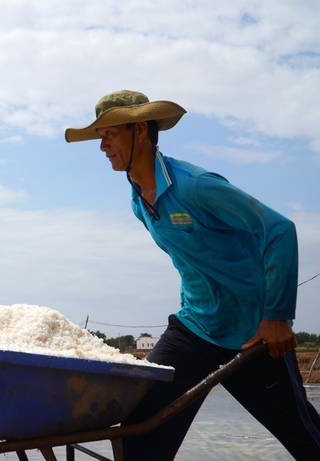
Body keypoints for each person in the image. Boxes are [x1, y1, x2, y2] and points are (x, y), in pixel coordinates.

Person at [64, 90, 320, 460]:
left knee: (306, 439)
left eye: (110, 134)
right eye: (99, 137)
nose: (102, 145)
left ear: (139, 130)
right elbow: (190, 261)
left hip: (253, 337)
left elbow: (279, 230)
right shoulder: (139, 198)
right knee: (138, 432)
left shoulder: (195, 186)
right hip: (193, 331)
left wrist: (277, 317)